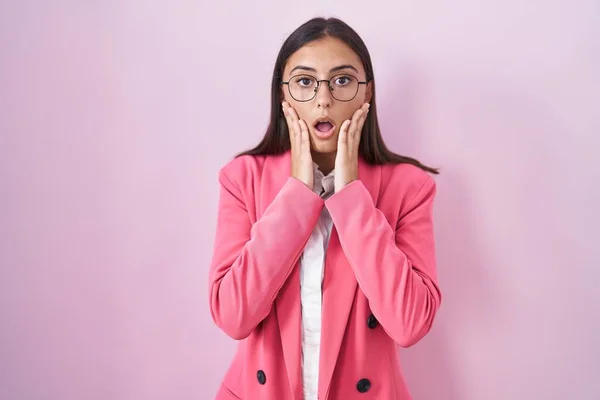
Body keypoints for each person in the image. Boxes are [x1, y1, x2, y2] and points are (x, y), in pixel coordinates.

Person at [209, 16, 442, 400]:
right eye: (304, 81)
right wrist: (298, 193)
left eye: (342, 80)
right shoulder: (241, 179)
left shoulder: (410, 187)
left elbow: (410, 323)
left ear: (367, 93)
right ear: (282, 96)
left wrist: (351, 196)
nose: (323, 99)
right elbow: (234, 316)